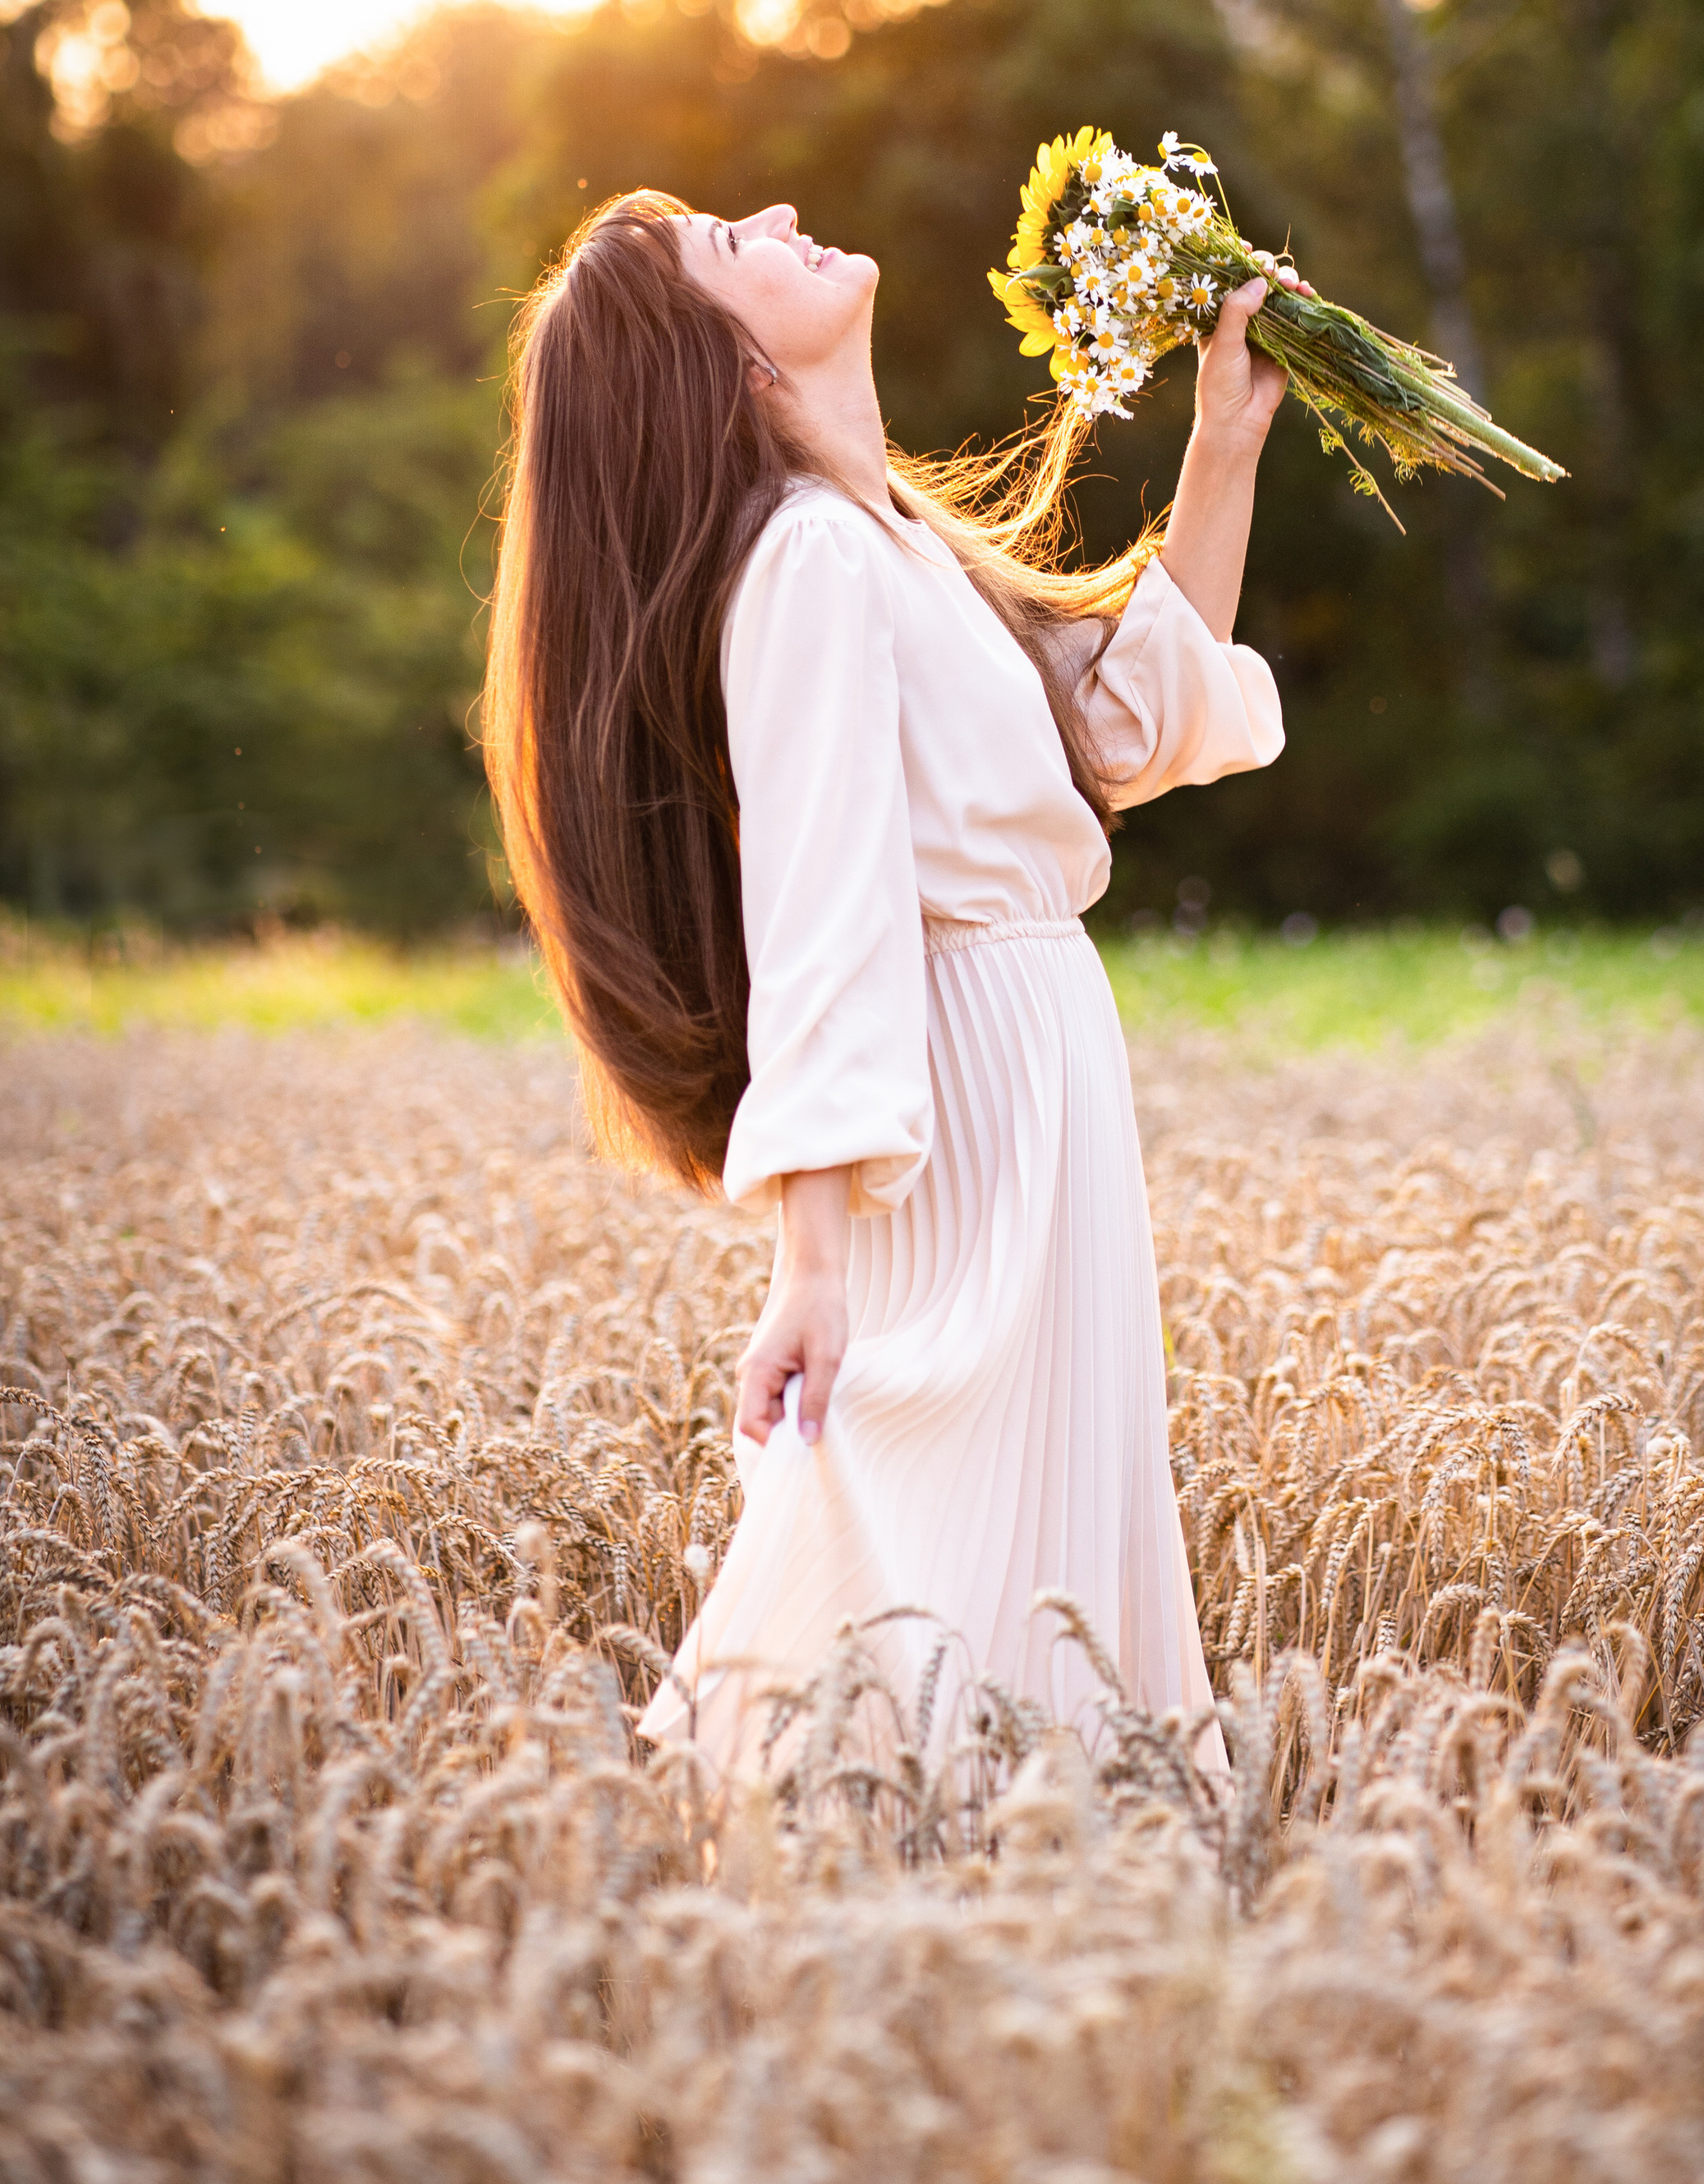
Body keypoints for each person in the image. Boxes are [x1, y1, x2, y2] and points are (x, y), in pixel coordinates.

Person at [481, 188, 1288, 1772]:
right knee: (915, 1511)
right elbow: (823, 910)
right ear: (719, 366)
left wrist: (1225, 444)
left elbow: (1122, 725)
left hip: (1036, 1083)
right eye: (732, 243)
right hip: (968, 1105)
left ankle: (976, 1895)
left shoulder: (891, 544)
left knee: (1027, 1530)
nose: (777, 211)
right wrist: (815, 1264)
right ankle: (763, 1856)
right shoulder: (807, 565)